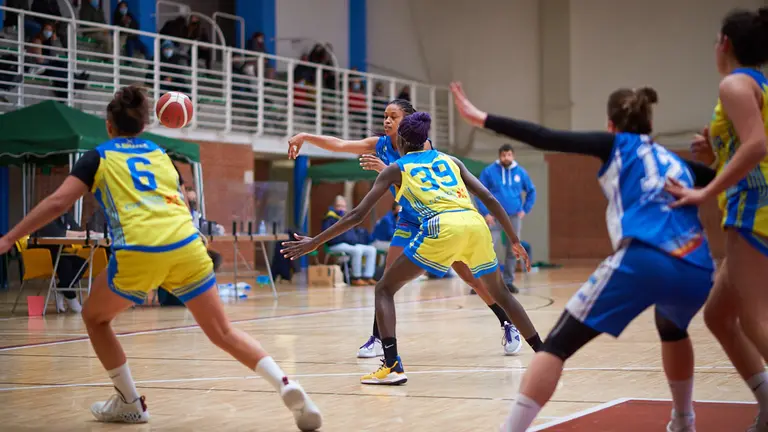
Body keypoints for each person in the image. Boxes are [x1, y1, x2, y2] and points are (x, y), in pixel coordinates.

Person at [0, 85, 322, 431]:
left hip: (141, 249)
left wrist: (7, 238)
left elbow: (57, 204)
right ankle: (286, 383)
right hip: (187, 244)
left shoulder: (98, 156)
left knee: (95, 318)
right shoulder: (160, 153)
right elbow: (180, 202)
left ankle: (129, 403)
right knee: (222, 331)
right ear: (142, 125)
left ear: (109, 126)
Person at [450, 82, 718, 432]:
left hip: (646, 256)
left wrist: (481, 118)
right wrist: (719, 155)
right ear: (650, 124)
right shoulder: (674, 160)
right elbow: (727, 179)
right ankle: (684, 421)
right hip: (698, 266)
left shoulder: (617, 145)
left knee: (557, 345)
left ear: (610, 125)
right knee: (673, 329)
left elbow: (546, 136)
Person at [282, 112, 539, 385]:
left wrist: (314, 242)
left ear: (402, 140)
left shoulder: (397, 167)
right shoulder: (450, 160)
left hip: (441, 224)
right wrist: (513, 239)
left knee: (384, 288)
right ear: (426, 140)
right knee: (502, 293)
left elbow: (357, 215)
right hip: (474, 223)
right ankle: (545, 354)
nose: (387, 120)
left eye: (392, 116)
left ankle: (392, 364)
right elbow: (488, 196)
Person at [664, 7, 768, 431]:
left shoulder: (734, 84)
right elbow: (752, 146)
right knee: (718, 316)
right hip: (754, 203)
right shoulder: (757, 85)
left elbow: (757, 146)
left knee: (753, 318)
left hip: (754, 207)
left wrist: (706, 189)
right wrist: (716, 157)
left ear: (724, 43)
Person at [478, 144, 536, 292]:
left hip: (514, 215)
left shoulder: (521, 173)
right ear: (499, 156)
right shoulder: (489, 171)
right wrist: (485, 213)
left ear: (513, 156)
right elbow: (479, 191)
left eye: (509, 155)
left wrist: (525, 209)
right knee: (488, 247)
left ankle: (508, 282)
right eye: (503, 155)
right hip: (494, 216)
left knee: (513, 249)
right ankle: (484, 283)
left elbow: (531, 191)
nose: (506, 158)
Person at [323, 195, 378, 285]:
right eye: (339, 206)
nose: (342, 208)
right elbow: (329, 236)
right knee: (356, 250)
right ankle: (356, 278)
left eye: (343, 206)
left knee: (371, 250)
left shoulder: (347, 217)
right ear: (334, 206)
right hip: (335, 245)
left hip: (349, 245)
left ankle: (368, 276)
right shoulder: (329, 218)